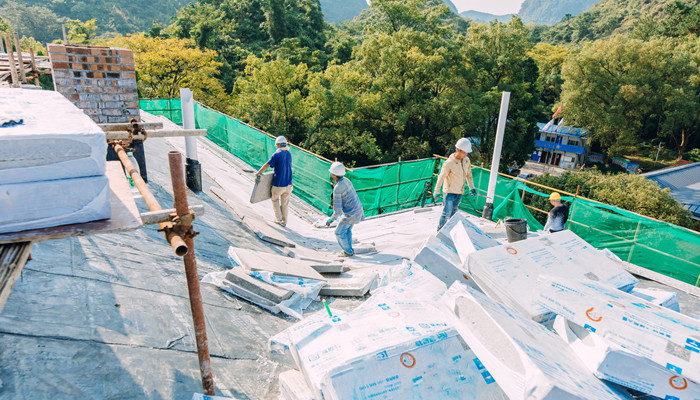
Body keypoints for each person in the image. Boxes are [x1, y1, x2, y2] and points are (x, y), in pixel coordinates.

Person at [433, 138, 476, 231]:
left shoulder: (466, 160)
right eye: (465, 152)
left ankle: (452, 231)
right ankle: (440, 230)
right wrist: (436, 191)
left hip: (459, 192)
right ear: (458, 150)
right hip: (449, 192)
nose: (466, 154)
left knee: (454, 213)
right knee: (446, 213)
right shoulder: (449, 163)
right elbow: (441, 177)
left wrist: (472, 188)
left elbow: (469, 175)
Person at [325, 161, 364, 257]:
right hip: (358, 210)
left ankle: (348, 251)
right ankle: (350, 249)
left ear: (333, 174)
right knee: (347, 230)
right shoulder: (346, 180)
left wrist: (331, 219)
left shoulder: (337, 188)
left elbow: (337, 210)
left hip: (350, 215)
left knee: (338, 233)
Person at [255, 136, 293, 227]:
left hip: (279, 184)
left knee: (275, 199)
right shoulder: (289, 154)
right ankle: (284, 222)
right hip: (289, 185)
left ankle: (278, 219)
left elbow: (267, 165)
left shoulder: (276, 155)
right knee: (285, 204)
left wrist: (258, 173)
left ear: (278, 144)